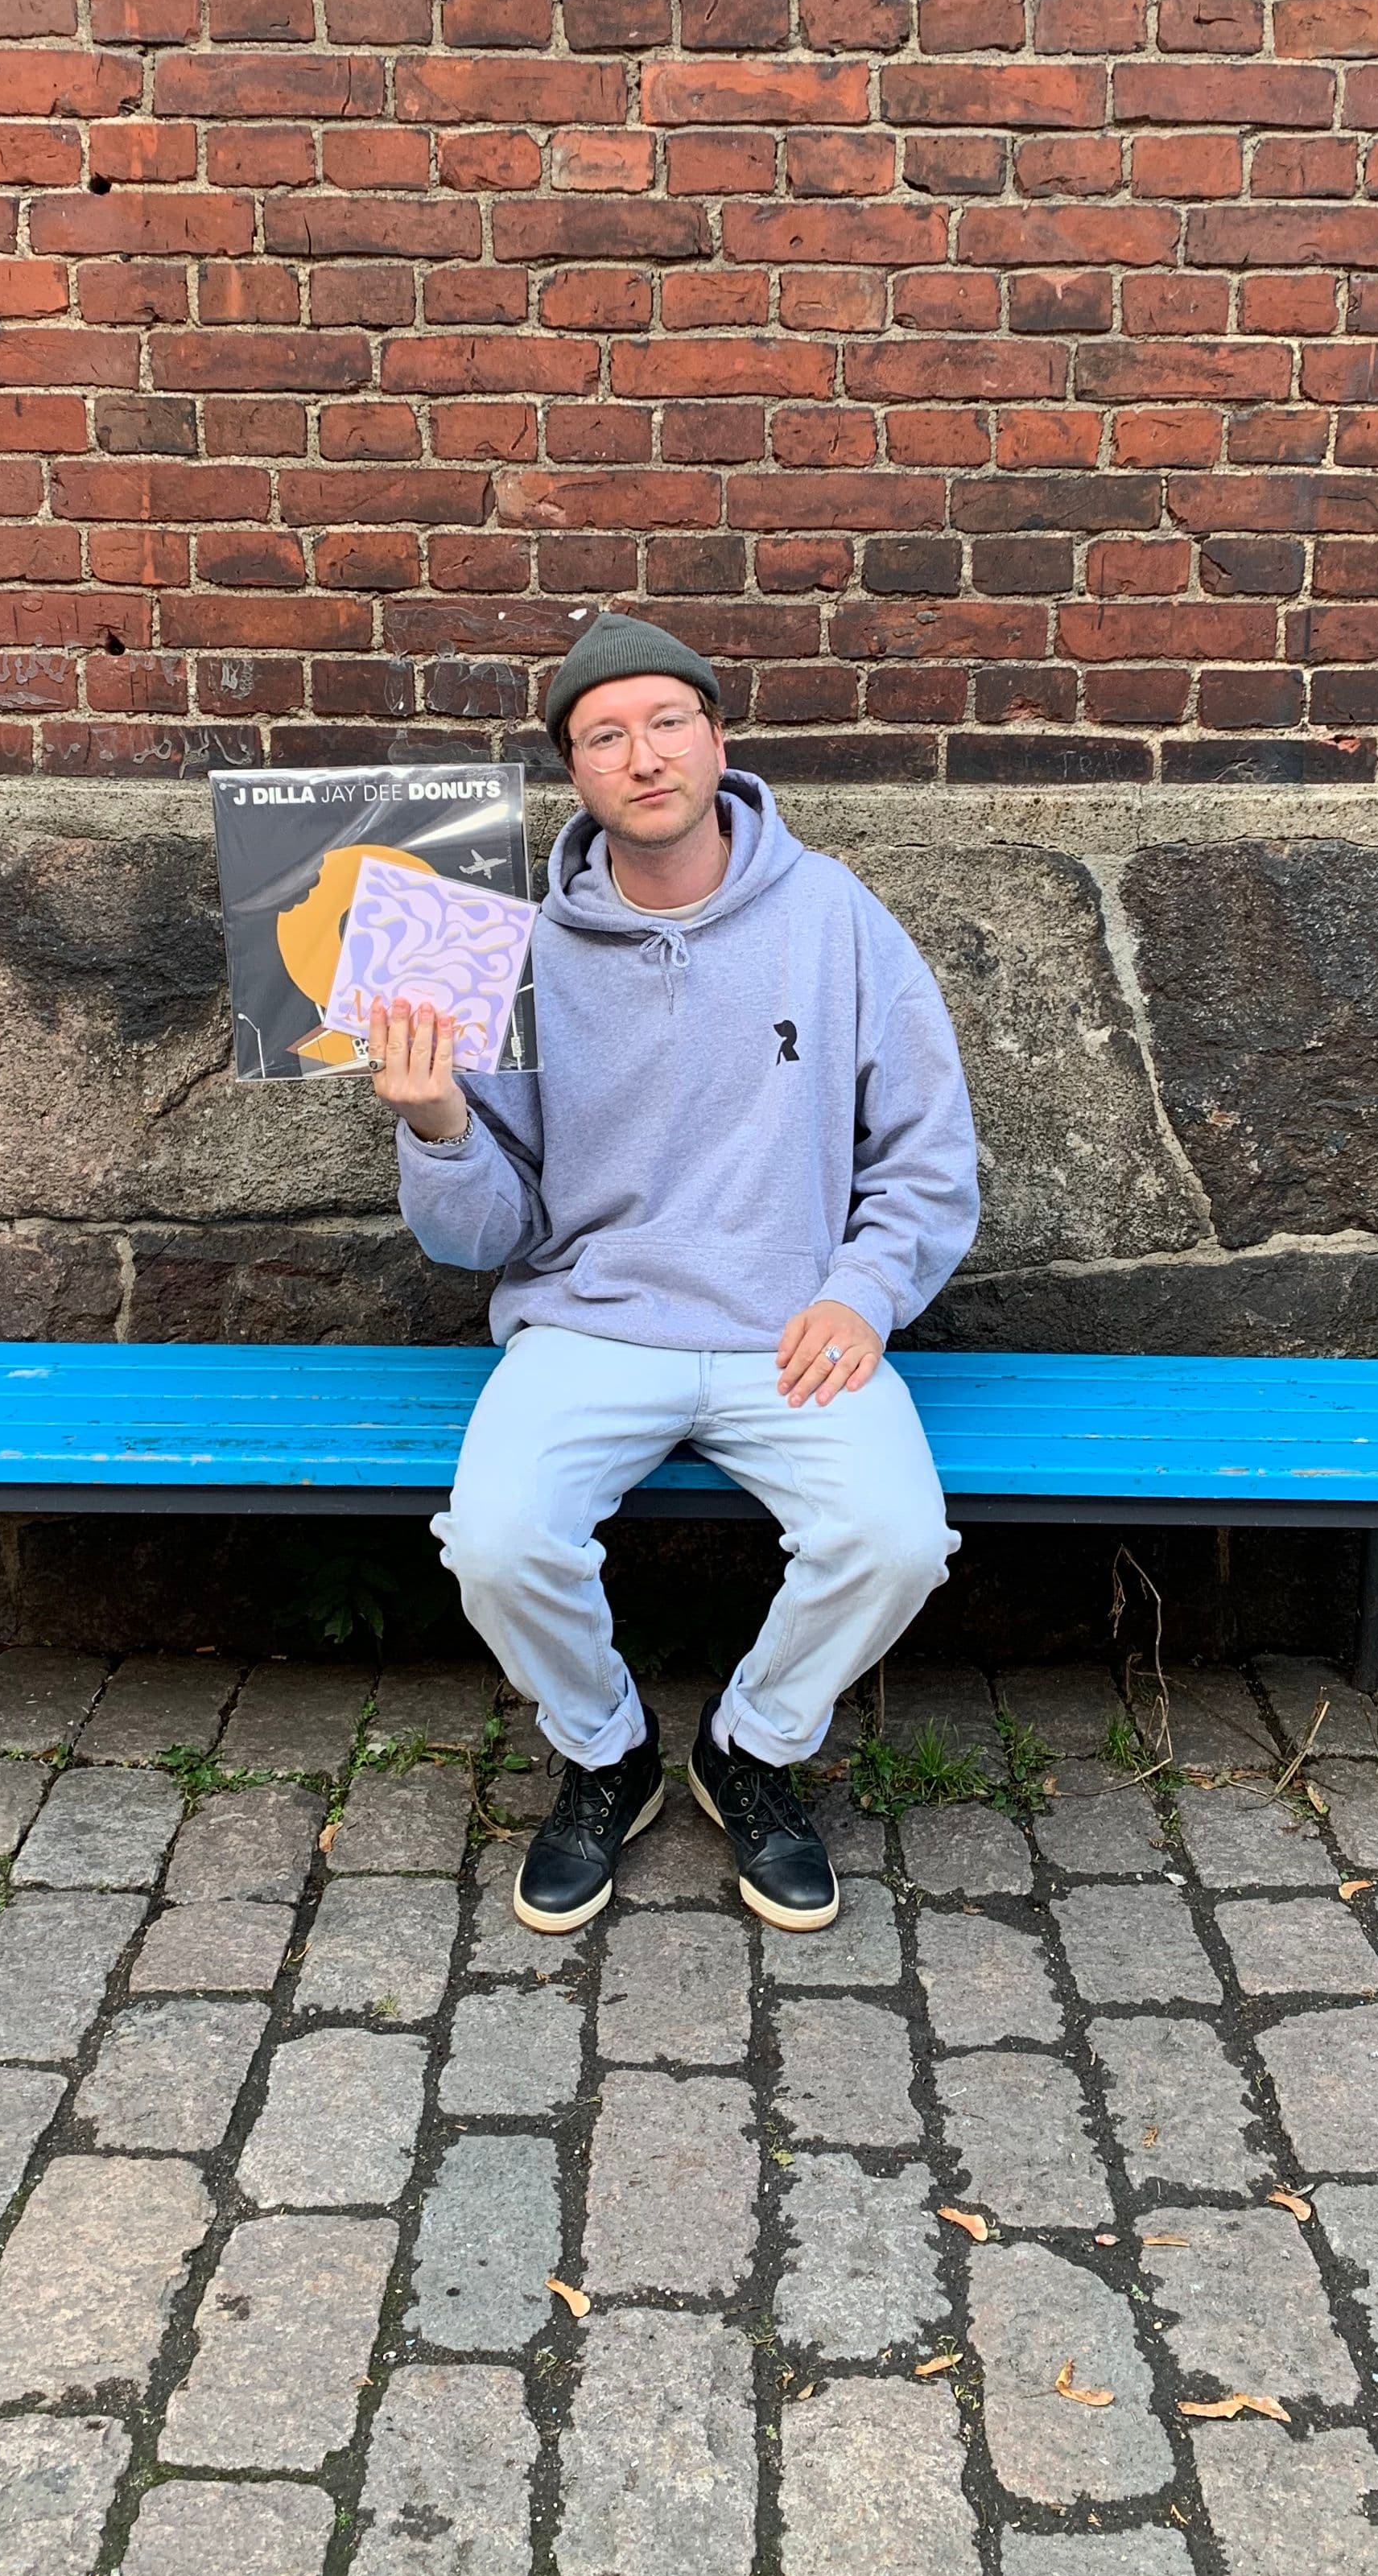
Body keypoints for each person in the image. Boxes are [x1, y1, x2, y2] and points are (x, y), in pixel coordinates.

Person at [366, 610, 980, 1935]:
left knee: (894, 1542)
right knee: (496, 1542)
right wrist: (437, 1126)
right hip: (588, 1323)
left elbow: (930, 1154)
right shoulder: (501, 946)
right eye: (605, 737)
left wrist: (863, 1291)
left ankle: (751, 1746)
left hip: (789, 1323)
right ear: (572, 772)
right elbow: (478, 1238)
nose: (642, 757)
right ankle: (608, 1753)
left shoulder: (836, 918)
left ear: (715, 738)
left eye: (665, 723)